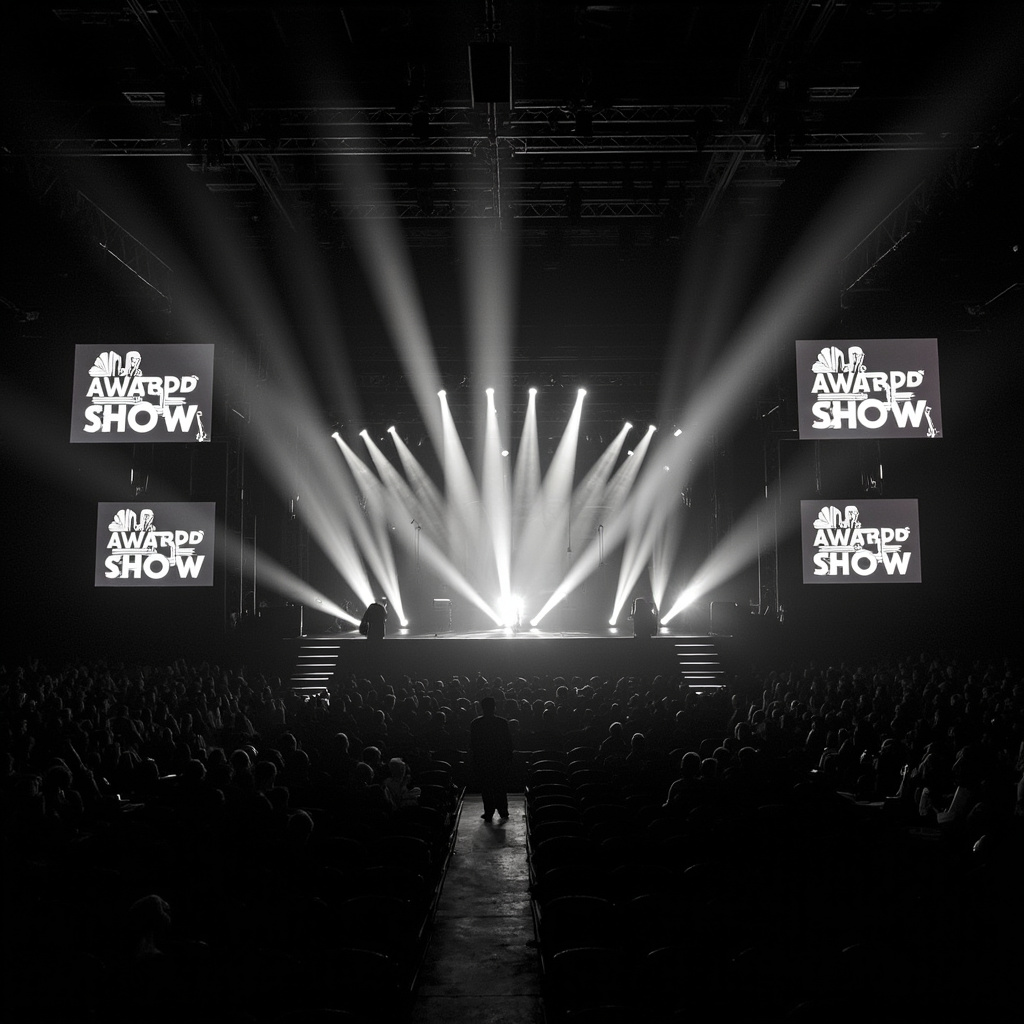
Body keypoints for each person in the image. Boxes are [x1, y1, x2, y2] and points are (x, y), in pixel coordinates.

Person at [469, 695, 514, 822]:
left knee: (486, 787)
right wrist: (508, 757)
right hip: (499, 759)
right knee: (500, 786)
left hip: (483, 760)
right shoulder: (502, 722)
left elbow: (474, 744)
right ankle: (503, 811)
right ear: (494, 707)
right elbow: (508, 742)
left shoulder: (476, 723)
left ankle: (489, 811)